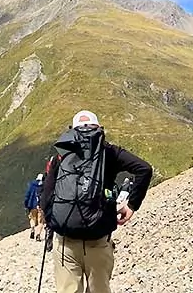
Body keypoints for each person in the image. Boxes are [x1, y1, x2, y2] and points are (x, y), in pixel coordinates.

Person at [39, 110, 153, 293]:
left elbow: (46, 197)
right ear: (99, 129)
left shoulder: (61, 154)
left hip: (65, 242)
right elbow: (144, 169)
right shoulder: (109, 152)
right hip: (98, 241)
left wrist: (55, 223)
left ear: (72, 130)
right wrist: (132, 205)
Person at [24, 173, 45, 240]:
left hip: (32, 206)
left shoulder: (31, 185)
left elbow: (27, 195)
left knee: (32, 219)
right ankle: (38, 235)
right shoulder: (44, 186)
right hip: (41, 206)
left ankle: (32, 228)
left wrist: (26, 204)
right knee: (40, 221)